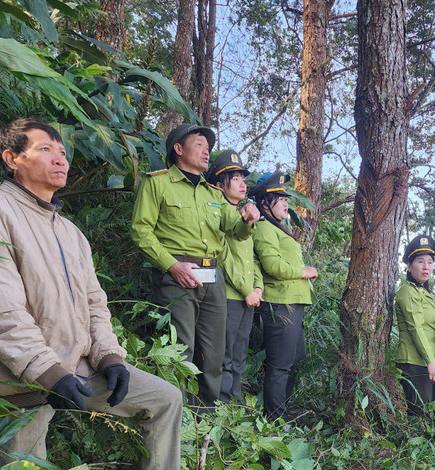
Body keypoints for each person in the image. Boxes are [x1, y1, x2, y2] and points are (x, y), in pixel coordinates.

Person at [0, 118, 193, 470]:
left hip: (78, 368)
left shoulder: (71, 233)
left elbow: (95, 305)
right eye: (46, 149)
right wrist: (47, 372)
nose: (60, 158)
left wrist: (110, 357)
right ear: (12, 158)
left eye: (62, 151)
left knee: (165, 398)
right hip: (19, 379)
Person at [130, 125, 260, 408]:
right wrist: (172, 266)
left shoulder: (212, 192)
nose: (206, 151)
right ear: (178, 149)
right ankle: (180, 416)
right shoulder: (158, 183)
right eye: (200, 144)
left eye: (207, 146)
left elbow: (235, 230)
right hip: (178, 277)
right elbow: (141, 231)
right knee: (181, 351)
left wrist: (248, 219)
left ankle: (209, 417)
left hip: (214, 279)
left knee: (215, 353)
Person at [250, 173, 317, 418]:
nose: (285, 203)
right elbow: (273, 266)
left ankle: (280, 413)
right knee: (279, 366)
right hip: (280, 304)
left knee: (294, 358)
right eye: (278, 198)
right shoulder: (265, 228)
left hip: (293, 303)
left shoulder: (278, 228)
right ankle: (275, 419)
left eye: (284, 197)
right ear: (264, 203)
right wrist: (304, 271)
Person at [205, 150, 263, 403]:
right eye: (234, 178)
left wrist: (258, 288)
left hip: (248, 297)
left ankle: (234, 408)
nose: (242, 183)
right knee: (225, 355)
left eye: (243, 178)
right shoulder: (219, 214)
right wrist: (246, 290)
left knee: (239, 354)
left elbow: (252, 259)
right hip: (229, 296)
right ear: (219, 185)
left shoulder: (243, 216)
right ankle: (220, 406)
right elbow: (224, 259)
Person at [394, 235, 435, 427]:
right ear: (409, 266)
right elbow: (415, 328)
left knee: (434, 417)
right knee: (420, 418)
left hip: (431, 364)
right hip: (416, 363)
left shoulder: (427, 294)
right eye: (420, 261)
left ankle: (431, 457)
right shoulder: (407, 291)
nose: (426, 267)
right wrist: (430, 362)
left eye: (430, 262)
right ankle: (415, 458)